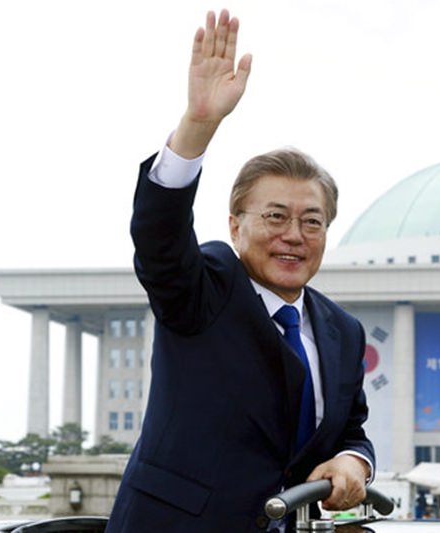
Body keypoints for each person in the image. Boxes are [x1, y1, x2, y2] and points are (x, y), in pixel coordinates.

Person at [105, 9, 375, 533]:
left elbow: (351, 431)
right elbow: (160, 238)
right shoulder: (206, 288)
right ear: (235, 225)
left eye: (311, 221)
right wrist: (198, 126)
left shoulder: (343, 331)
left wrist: (353, 462)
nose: (293, 235)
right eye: (275, 217)